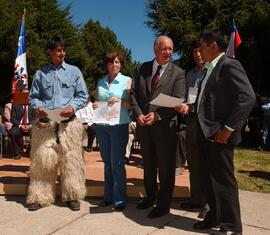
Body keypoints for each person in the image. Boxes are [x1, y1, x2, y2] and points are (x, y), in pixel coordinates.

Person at [176, 29, 255, 235]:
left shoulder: (229, 65)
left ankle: (232, 226)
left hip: (220, 134)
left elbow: (247, 97)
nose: (199, 51)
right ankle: (213, 216)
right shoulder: (207, 70)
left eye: (202, 46)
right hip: (203, 133)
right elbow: (206, 102)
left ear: (213, 46)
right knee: (205, 178)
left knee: (223, 180)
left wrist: (229, 128)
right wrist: (190, 108)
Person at [26, 36, 88, 211]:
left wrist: (73, 107)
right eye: (58, 50)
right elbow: (33, 97)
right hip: (46, 124)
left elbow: (83, 95)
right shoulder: (40, 73)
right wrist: (39, 107)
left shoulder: (74, 72)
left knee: (71, 162)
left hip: (69, 124)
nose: (62, 53)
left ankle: (72, 195)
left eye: (63, 50)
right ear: (50, 52)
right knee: (43, 162)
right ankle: (40, 196)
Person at [130, 35, 185, 218]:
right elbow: (133, 94)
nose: (168, 52)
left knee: (166, 169)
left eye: (170, 49)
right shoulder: (142, 68)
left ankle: (163, 205)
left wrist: (158, 115)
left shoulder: (178, 73)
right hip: (144, 127)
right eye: (164, 49)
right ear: (155, 49)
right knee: (149, 166)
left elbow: (178, 100)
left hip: (165, 129)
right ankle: (149, 197)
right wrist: (138, 114)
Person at [94, 52, 132, 211]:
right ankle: (108, 197)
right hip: (102, 125)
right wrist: (102, 103)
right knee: (107, 163)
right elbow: (96, 104)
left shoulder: (127, 80)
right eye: (111, 62)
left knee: (117, 162)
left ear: (120, 64)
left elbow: (131, 104)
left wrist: (119, 102)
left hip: (119, 125)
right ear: (107, 65)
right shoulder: (101, 82)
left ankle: (120, 199)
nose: (114, 65)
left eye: (117, 62)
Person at [179, 43, 209, 218]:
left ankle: (208, 204)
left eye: (200, 51)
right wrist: (183, 105)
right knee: (194, 161)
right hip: (191, 121)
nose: (198, 55)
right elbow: (188, 98)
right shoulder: (190, 74)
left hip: (207, 123)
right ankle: (196, 199)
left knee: (207, 163)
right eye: (195, 52)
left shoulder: (212, 71)